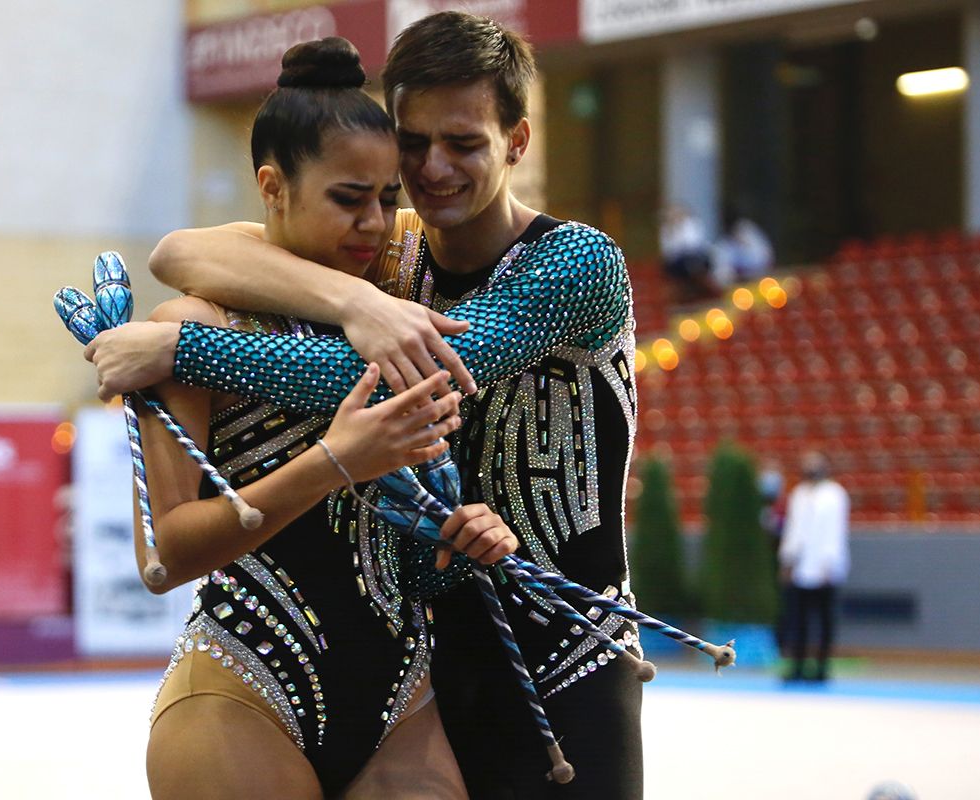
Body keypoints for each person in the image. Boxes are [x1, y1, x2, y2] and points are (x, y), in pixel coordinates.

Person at [85, 12, 642, 799]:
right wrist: (355, 300)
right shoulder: (388, 253)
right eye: (412, 144)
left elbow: (424, 378)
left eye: (465, 143)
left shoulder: (575, 260)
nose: (431, 169)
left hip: (562, 654)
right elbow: (179, 252)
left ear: (518, 142)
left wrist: (185, 352)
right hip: (424, 646)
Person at [138, 38, 518, 800]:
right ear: (273, 187)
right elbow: (165, 557)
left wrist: (460, 531)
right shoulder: (194, 326)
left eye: (387, 198)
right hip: (241, 694)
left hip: (402, 702)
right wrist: (335, 460)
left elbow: (395, 529)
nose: (376, 223)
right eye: (349, 198)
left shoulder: (396, 308)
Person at [778, 450, 849, 683]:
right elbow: (793, 530)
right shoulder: (799, 494)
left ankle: (821, 666)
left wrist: (830, 563)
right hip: (800, 567)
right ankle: (796, 666)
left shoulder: (835, 495)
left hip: (824, 568)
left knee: (824, 621)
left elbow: (834, 532)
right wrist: (787, 559)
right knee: (798, 620)